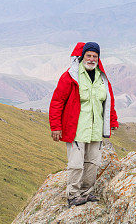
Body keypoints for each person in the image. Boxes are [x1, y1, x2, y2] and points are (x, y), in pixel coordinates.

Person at [49, 41, 119, 206]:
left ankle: (87, 193)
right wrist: (56, 127)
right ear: (82, 56)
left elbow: (109, 101)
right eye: (89, 55)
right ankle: (73, 195)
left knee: (93, 162)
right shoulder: (71, 76)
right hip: (77, 129)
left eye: (95, 56)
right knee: (76, 164)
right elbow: (57, 102)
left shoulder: (102, 77)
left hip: (95, 129)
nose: (92, 59)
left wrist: (113, 120)